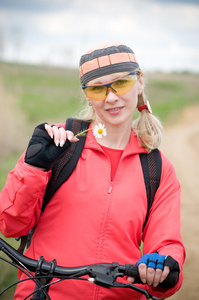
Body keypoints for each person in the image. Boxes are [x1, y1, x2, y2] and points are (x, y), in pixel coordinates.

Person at [0, 42, 185, 300]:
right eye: (97, 88)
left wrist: (164, 267)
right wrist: (33, 167)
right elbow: (10, 224)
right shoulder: (58, 144)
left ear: (140, 82)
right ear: (86, 94)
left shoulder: (157, 168)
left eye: (120, 84)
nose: (110, 98)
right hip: (43, 293)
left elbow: (166, 245)